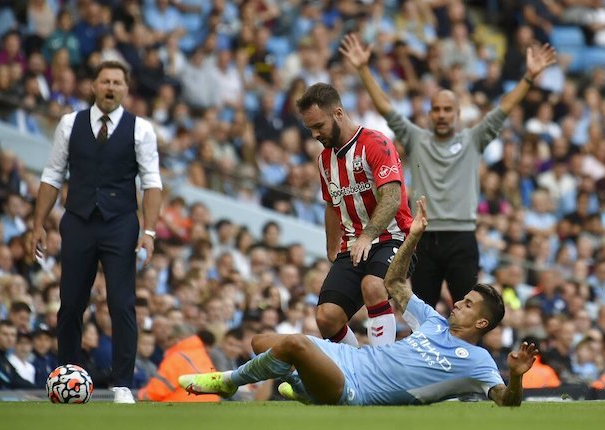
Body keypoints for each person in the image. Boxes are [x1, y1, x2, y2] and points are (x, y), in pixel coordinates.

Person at [178, 197, 539, 406]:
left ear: (481, 323)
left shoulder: (477, 362)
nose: (459, 302)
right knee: (261, 344)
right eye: (465, 297)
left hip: (359, 391)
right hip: (351, 358)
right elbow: (394, 281)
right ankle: (304, 387)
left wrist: (518, 378)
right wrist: (412, 236)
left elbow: (506, 400)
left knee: (295, 344)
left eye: (470, 304)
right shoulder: (432, 320)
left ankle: (228, 382)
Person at [340, 33, 557, 308]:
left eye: (447, 110)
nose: (441, 114)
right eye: (436, 110)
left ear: (457, 114)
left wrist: (528, 77)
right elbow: (385, 107)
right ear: (430, 114)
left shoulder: (473, 139)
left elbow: (504, 107)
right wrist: (362, 68)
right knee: (423, 312)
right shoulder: (416, 138)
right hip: (424, 237)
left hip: (462, 236)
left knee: (468, 310)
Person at [32, 60, 163, 404]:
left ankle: (122, 384)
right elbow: (52, 174)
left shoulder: (141, 129)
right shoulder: (68, 124)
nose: (110, 87)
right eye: (105, 81)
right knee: (71, 303)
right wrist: (37, 224)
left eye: (117, 82)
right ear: (93, 85)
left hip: (120, 223)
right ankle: (66, 376)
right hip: (77, 220)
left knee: (122, 303)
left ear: (125, 88)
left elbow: (152, 184)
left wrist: (148, 230)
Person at [295, 82, 414, 346]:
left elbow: (392, 198)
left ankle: (381, 369)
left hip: (393, 237)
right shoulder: (324, 160)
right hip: (353, 245)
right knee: (326, 318)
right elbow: (331, 204)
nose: (314, 134)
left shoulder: (376, 143)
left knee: (373, 287)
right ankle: (356, 369)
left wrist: (367, 235)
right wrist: (331, 247)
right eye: (309, 129)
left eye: (318, 126)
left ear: (338, 113)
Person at [0, 320, 35, 389]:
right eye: (5, 334)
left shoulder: (3, 357)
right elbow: (6, 379)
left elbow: (16, 377)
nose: (9, 338)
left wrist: (37, 388)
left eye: (13, 335)